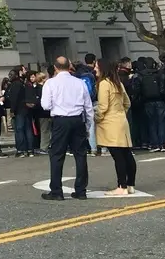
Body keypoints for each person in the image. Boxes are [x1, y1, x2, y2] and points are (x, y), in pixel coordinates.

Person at [40, 56, 93, 201]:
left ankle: (57, 190)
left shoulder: (50, 83)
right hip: (77, 119)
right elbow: (88, 106)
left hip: (61, 120)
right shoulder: (79, 82)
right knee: (80, 155)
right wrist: (87, 124)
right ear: (69, 67)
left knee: (57, 155)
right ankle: (81, 190)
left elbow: (45, 105)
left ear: (55, 68)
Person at [95, 59, 137, 196]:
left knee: (117, 156)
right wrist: (120, 113)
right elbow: (127, 103)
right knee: (126, 154)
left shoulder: (104, 84)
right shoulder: (117, 83)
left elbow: (102, 106)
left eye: (97, 66)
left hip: (110, 122)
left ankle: (121, 186)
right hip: (121, 120)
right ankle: (130, 184)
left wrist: (97, 118)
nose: (95, 69)